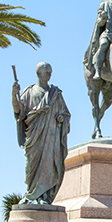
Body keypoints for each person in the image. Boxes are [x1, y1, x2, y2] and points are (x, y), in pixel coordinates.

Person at [12, 62, 71, 205]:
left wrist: (61, 119)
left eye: (51, 72)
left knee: (49, 165)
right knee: (32, 167)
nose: (50, 75)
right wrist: (14, 94)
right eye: (47, 72)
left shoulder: (55, 93)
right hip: (34, 137)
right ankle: (32, 194)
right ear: (38, 74)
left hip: (51, 138)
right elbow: (18, 111)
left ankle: (44, 197)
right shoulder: (29, 92)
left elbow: (66, 114)